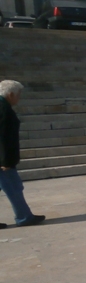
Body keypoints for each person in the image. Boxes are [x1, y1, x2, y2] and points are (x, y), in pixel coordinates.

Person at [0, 80, 44, 228]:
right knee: (14, 187)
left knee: (13, 187)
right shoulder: (4, 109)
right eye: (18, 94)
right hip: (3, 160)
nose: (19, 98)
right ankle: (24, 217)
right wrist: (6, 161)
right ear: (11, 94)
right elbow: (3, 137)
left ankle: (24, 216)